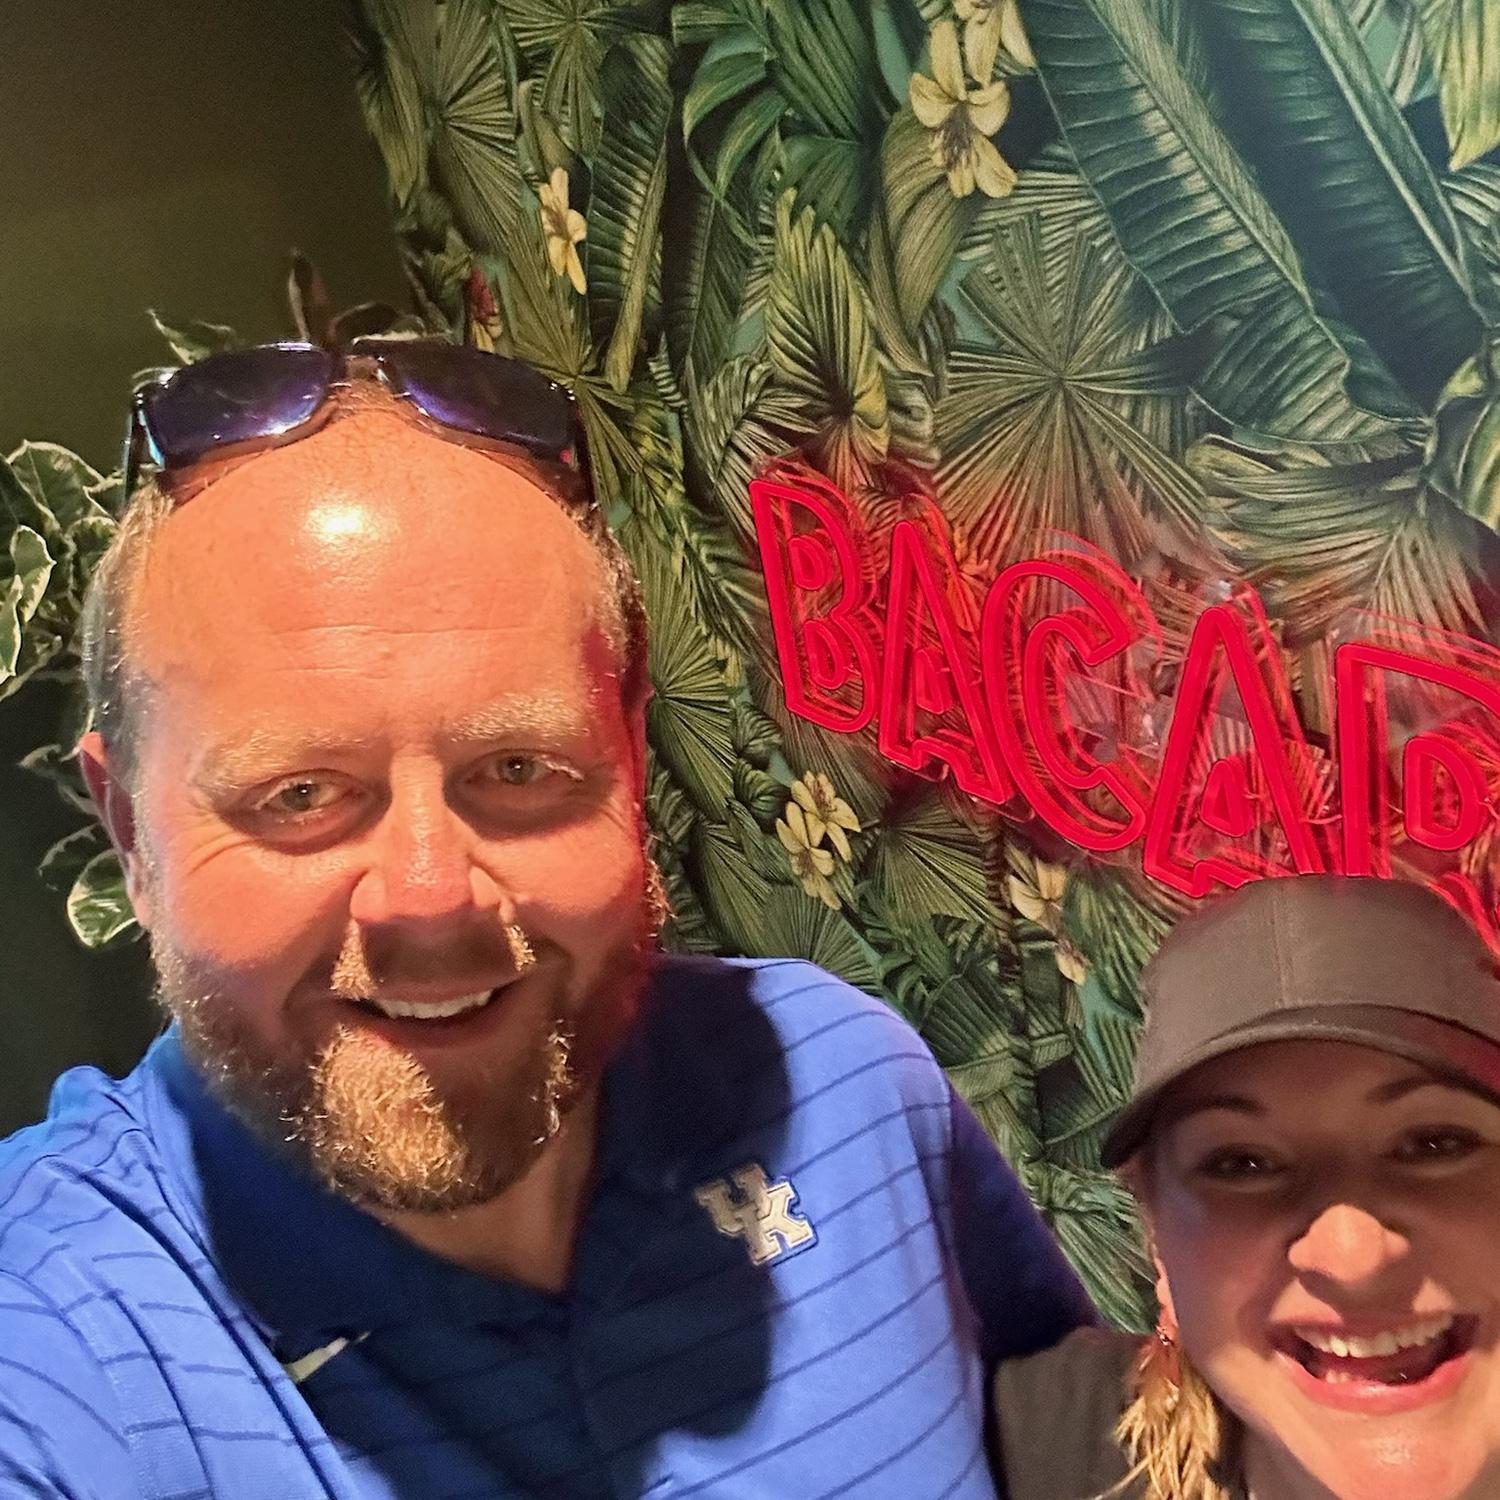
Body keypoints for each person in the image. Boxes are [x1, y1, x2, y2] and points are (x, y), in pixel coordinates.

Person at [0, 338, 1093, 1498]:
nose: (430, 896)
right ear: (131, 832)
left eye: (519, 769)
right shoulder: (58, 1349)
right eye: (301, 795)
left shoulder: (845, 1083)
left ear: (631, 751)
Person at [990, 873, 1500, 1500]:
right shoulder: (1040, 1446)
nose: (1353, 1259)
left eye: (1435, 1144)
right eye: (1242, 1164)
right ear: (1157, 1242)